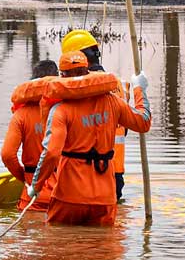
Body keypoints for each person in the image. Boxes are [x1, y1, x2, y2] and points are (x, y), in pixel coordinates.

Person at [28, 48, 152, 226]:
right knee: (103, 249)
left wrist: (36, 186)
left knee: (57, 246)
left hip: (69, 198)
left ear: (62, 76)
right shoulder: (112, 102)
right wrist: (140, 89)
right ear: (88, 71)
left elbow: (51, 153)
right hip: (105, 199)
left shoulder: (60, 110)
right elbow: (143, 122)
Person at [63, 29, 132, 202]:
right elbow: (127, 126)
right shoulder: (119, 85)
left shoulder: (81, 87)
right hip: (115, 167)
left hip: (87, 168)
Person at [1, 59, 59, 211]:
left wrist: (26, 178)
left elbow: (7, 155)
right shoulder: (66, 111)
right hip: (64, 196)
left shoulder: (21, 115)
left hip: (32, 197)